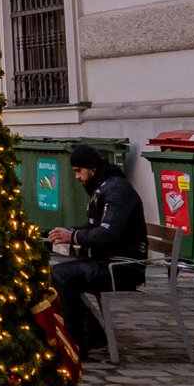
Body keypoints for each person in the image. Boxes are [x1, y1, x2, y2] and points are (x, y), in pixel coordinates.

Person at [47, 143, 146, 357]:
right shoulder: (103, 187)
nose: (76, 176)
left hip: (122, 266)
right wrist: (66, 233)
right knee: (59, 273)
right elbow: (93, 226)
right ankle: (90, 335)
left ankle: (77, 343)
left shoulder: (116, 190)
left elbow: (109, 233)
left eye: (78, 171)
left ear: (91, 167)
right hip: (108, 261)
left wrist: (72, 236)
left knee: (62, 276)